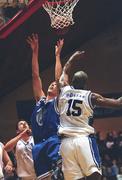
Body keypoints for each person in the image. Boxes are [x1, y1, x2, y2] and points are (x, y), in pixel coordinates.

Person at [57, 51, 122, 180]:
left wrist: (73, 58)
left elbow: (64, 70)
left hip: (65, 143)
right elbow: (118, 103)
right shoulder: (90, 96)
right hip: (83, 139)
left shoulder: (64, 90)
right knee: (95, 174)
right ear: (85, 85)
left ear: (72, 82)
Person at [27, 34, 64, 180]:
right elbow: (35, 75)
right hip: (38, 146)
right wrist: (35, 51)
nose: (52, 84)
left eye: (55, 85)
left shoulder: (57, 102)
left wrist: (57, 55)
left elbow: (58, 78)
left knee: (63, 172)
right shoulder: (40, 100)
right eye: (52, 83)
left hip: (53, 140)